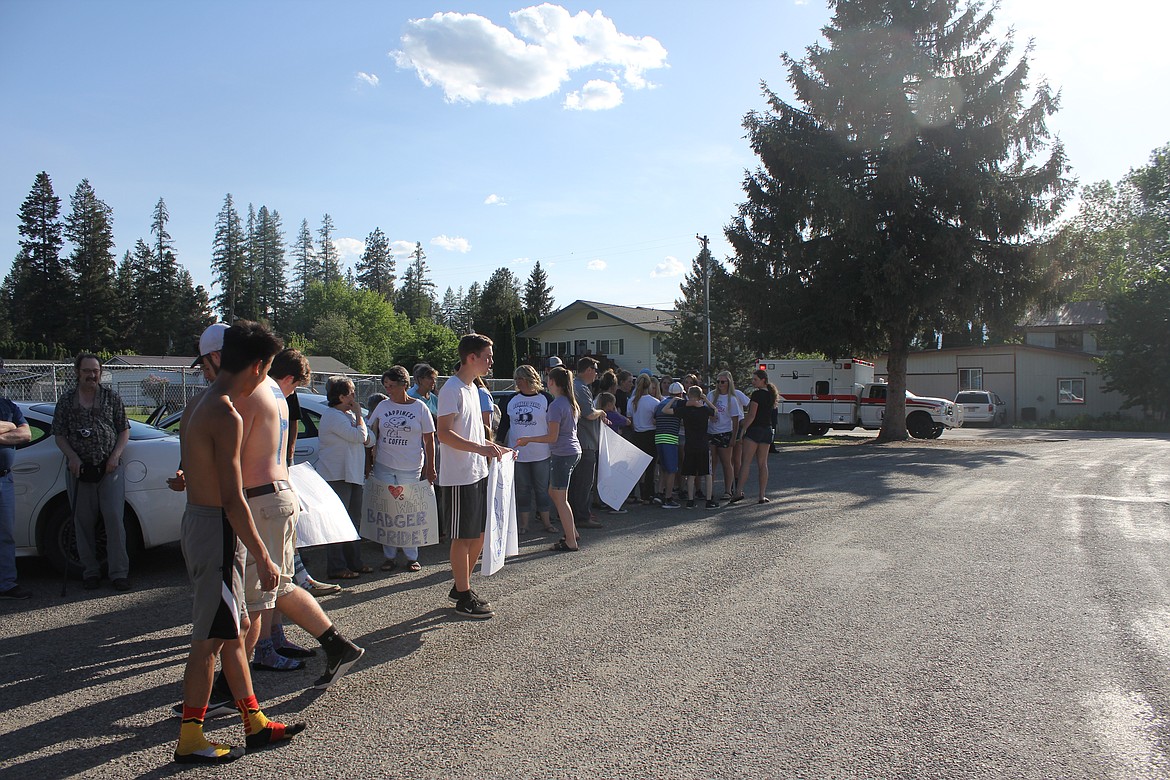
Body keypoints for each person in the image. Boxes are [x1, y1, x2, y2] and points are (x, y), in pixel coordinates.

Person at [173, 321, 304, 764]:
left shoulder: (197, 404)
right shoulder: (225, 413)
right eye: (265, 370)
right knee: (209, 639)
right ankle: (191, 737)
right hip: (217, 530)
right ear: (257, 366)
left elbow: (192, 470)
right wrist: (265, 556)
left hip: (200, 522)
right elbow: (232, 499)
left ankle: (255, 722)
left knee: (238, 630)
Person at [436, 334, 509, 619]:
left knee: (478, 534)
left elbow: (475, 432)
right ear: (471, 358)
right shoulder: (451, 389)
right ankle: (463, 596)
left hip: (477, 471)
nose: (491, 362)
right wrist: (479, 448)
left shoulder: (472, 389)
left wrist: (497, 449)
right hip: (458, 475)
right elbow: (443, 433)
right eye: (487, 356)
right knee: (462, 537)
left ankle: (461, 586)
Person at [52, 353, 132, 591]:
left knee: (114, 519)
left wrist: (115, 456)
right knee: (82, 522)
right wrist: (72, 457)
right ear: (78, 372)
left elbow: (123, 430)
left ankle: (119, 572)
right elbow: (58, 434)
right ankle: (91, 571)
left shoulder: (111, 398)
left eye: (95, 371)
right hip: (79, 470)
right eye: (87, 371)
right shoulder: (66, 401)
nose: (91, 375)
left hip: (109, 468)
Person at [368, 365, 436, 571]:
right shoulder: (382, 407)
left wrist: (430, 467)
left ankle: (411, 555)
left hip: (410, 466)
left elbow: (429, 439)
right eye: (385, 386)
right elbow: (372, 434)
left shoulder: (419, 407)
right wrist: (368, 462)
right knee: (388, 510)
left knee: (408, 512)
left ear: (404, 385)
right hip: (384, 465)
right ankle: (389, 555)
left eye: (392, 385)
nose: (388, 389)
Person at [517, 366, 580, 552]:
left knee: (560, 499)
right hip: (571, 451)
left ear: (552, 382)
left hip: (563, 453)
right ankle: (572, 532)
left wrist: (529, 440)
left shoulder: (556, 405)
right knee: (556, 493)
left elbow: (552, 437)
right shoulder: (569, 402)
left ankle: (570, 540)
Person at [317, 376, 371, 581]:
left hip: (353, 475)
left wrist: (358, 420)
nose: (355, 397)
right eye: (351, 393)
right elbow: (359, 437)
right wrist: (359, 415)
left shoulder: (348, 416)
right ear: (341, 396)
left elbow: (367, 438)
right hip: (336, 475)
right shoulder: (332, 416)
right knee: (337, 522)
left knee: (352, 520)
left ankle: (354, 561)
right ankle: (336, 566)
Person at [496, 365, 556, 535]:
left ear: (530, 379)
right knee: (522, 489)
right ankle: (523, 524)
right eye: (516, 379)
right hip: (518, 454)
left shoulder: (546, 398)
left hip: (541, 453)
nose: (518, 383)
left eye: (520, 379)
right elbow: (504, 425)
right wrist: (499, 443)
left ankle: (546, 522)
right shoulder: (511, 399)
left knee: (542, 489)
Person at [0, 373, 32, 600]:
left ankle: (6, 584)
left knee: (5, 535)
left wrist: (12, 426)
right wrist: (10, 426)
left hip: (4, 479)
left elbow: (26, 433)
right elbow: (16, 429)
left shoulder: (7, 405)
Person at [732, 369, 780, 504]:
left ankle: (738, 491)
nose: (753, 382)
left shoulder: (757, 394)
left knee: (746, 462)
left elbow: (752, 415)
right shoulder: (771, 394)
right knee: (763, 463)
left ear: (763, 380)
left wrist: (743, 430)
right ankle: (761, 495)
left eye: (755, 379)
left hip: (755, 430)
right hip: (767, 430)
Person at [569, 357, 606, 529]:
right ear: (588, 369)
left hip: (579, 441)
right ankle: (582, 516)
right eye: (595, 369)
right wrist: (602, 411)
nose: (597, 373)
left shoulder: (575, 386)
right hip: (585, 441)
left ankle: (575, 515)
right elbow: (589, 414)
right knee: (584, 483)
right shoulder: (581, 388)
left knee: (577, 483)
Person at [674, 386, 717, 509]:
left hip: (690, 445)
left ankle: (690, 500)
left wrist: (674, 400)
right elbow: (715, 411)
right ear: (700, 396)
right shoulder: (704, 409)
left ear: (688, 395)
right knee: (707, 473)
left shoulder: (685, 410)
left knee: (691, 474)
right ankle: (709, 500)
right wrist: (706, 401)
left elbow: (667, 410)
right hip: (703, 444)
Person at [708, 370, 744, 501]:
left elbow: (735, 421)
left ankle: (728, 490)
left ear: (729, 383)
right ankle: (709, 490)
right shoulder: (711, 395)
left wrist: (734, 438)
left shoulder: (732, 399)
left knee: (726, 462)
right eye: (718, 382)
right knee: (712, 463)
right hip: (712, 432)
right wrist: (709, 415)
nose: (720, 384)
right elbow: (705, 409)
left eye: (723, 382)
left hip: (725, 432)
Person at [653, 382, 687, 508]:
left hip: (658, 437)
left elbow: (654, 419)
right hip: (670, 438)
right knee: (672, 469)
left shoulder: (660, 403)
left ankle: (660, 493)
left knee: (663, 468)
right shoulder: (678, 403)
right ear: (680, 394)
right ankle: (668, 498)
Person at [626, 373, 658, 504]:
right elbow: (656, 420)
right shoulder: (654, 402)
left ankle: (632, 493)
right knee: (651, 467)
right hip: (650, 434)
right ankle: (648, 494)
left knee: (636, 467)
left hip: (637, 435)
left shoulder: (632, 401)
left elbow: (629, 420)